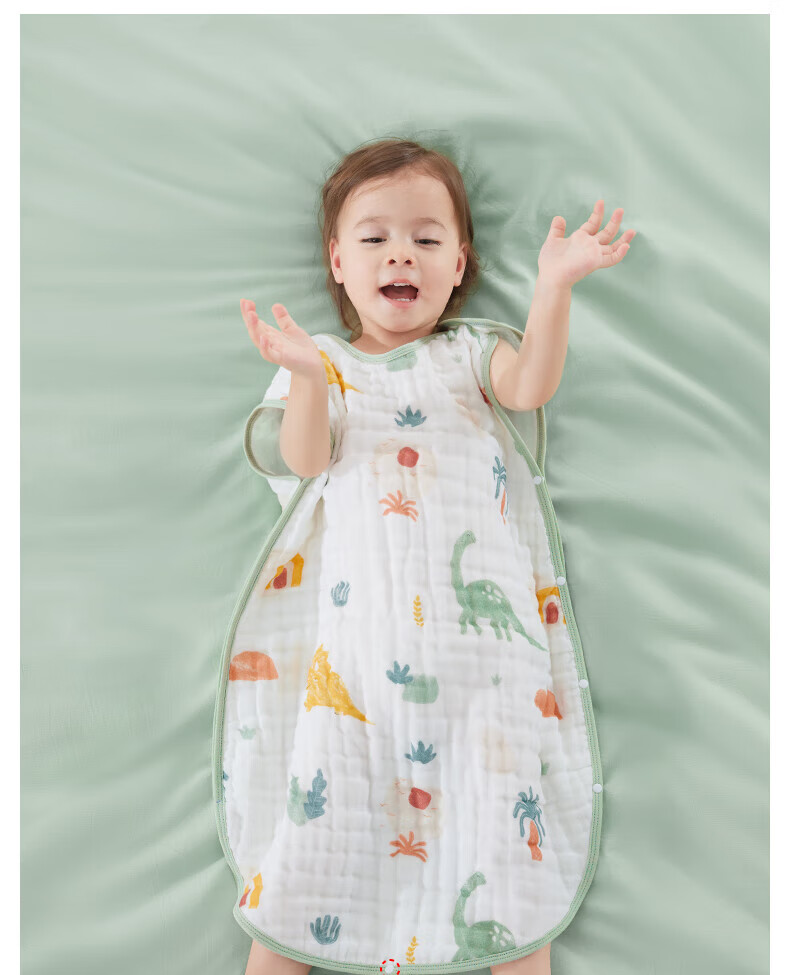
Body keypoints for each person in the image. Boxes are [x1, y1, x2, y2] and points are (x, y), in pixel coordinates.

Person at [235, 137, 634, 975]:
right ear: (337, 262)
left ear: (460, 264)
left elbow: (529, 386)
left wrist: (553, 290)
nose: (400, 255)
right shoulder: (325, 362)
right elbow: (305, 460)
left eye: (425, 238)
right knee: (308, 849)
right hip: (358, 669)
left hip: (487, 672)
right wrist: (304, 376)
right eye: (375, 238)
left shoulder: (469, 355)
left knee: (509, 861)